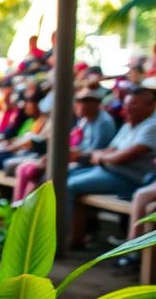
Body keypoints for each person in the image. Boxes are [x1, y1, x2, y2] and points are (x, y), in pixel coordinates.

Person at [67, 82, 156, 246]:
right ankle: (74, 237)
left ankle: (67, 238)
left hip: (129, 180)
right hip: (109, 172)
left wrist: (101, 157)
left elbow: (121, 157)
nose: (128, 108)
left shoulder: (151, 126)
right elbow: (111, 150)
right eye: (127, 104)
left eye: (133, 104)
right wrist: (105, 156)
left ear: (151, 106)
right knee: (63, 176)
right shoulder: (129, 124)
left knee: (70, 185)